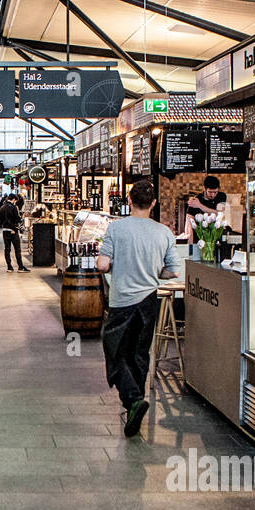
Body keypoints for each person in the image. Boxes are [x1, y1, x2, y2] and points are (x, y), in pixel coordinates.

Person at [96, 179, 180, 438]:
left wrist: (116, 266)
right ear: (153, 203)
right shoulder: (164, 232)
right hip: (148, 301)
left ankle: (133, 400)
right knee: (140, 352)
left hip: (122, 301)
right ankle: (137, 398)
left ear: (129, 201)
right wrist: (154, 273)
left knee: (115, 349)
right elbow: (173, 270)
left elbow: (101, 265)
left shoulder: (116, 228)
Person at [0, 194, 28, 272]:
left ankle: (9, 267)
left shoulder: (2, 207)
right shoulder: (14, 207)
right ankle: (20, 267)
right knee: (17, 249)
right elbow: (17, 219)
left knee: (7, 249)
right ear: (14, 199)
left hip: (5, 230)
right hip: (13, 230)